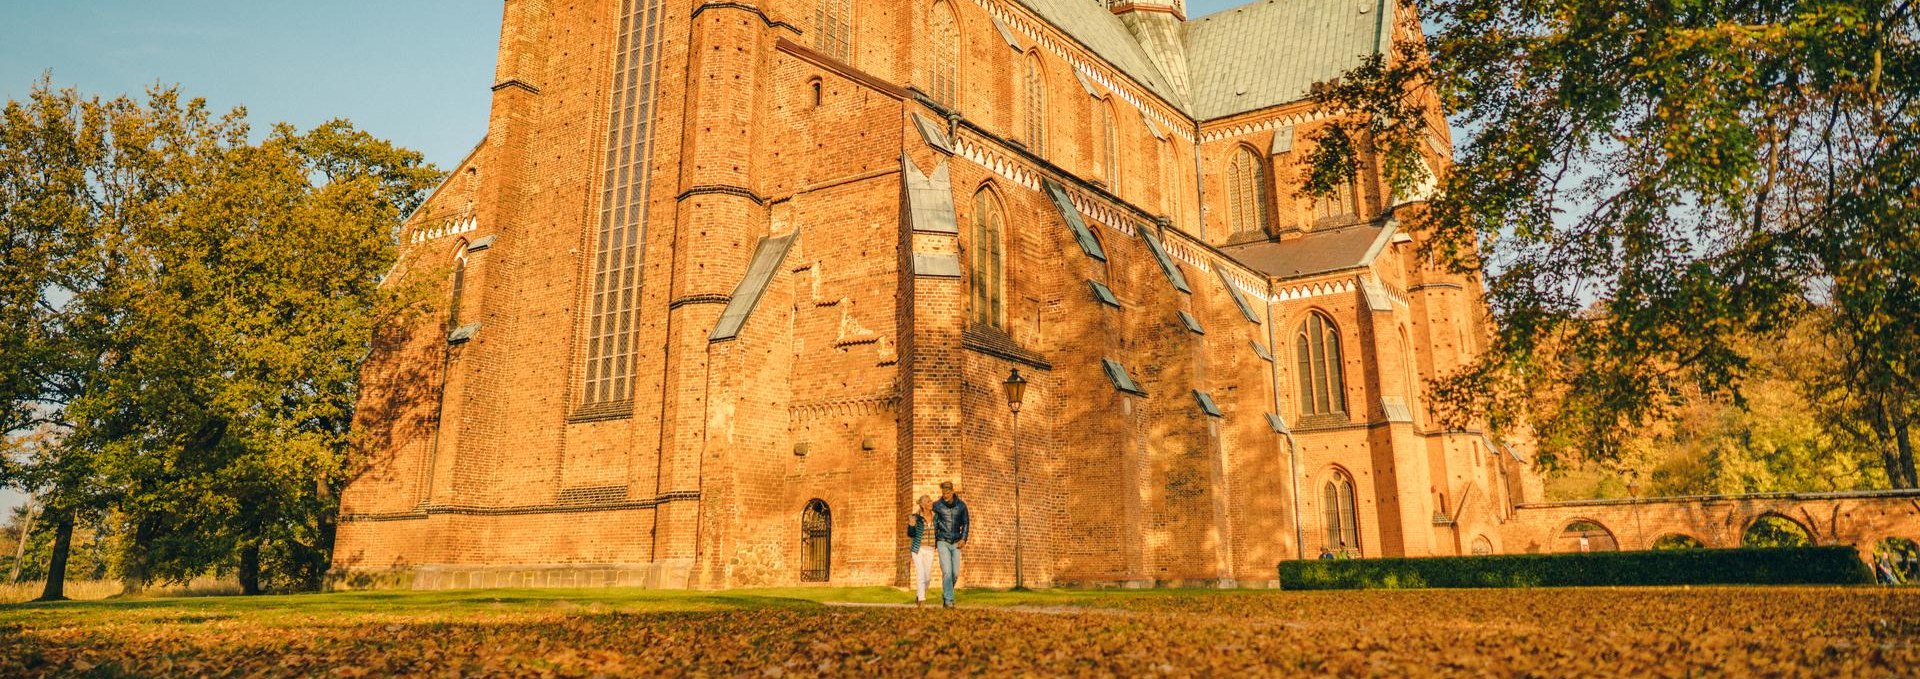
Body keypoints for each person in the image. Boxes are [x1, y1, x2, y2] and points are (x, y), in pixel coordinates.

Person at [931, 481, 970, 608]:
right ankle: (948, 600)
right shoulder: (937, 505)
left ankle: (946, 593)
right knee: (947, 571)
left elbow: (965, 523)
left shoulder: (962, 506)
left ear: (952, 492)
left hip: (956, 542)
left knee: (955, 573)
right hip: (942, 541)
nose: (945, 496)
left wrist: (963, 538)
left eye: (947, 493)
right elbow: (926, 514)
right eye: (943, 493)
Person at [906, 495, 935, 606]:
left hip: (930, 548)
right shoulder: (916, 517)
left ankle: (919, 594)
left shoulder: (935, 516)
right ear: (922, 505)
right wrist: (911, 525)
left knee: (927, 577)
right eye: (928, 501)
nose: (931, 502)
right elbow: (910, 534)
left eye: (930, 500)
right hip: (918, 549)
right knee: (921, 574)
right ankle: (922, 600)